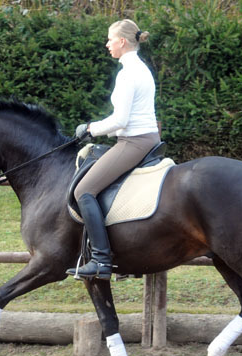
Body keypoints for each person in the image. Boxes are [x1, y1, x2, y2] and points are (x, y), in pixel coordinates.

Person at [66, 19, 160, 281]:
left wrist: (89, 128)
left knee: (84, 190)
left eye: (110, 39)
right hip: (142, 138)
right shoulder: (139, 69)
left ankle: (101, 260)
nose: (107, 44)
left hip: (134, 141)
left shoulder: (128, 73)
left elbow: (120, 121)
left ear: (121, 41)